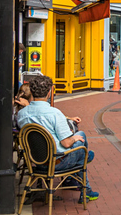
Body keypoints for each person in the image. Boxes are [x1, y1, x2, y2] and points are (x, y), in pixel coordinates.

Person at [16, 75, 99, 204]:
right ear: (49, 92)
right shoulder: (54, 113)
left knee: (81, 148)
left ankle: (72, 180)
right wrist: (74, 138)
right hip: (57, 162)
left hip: (36, 162)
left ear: (32, 92)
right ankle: (85, 191)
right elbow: (66, 143)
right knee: (83, 142)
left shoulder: (21, 114)